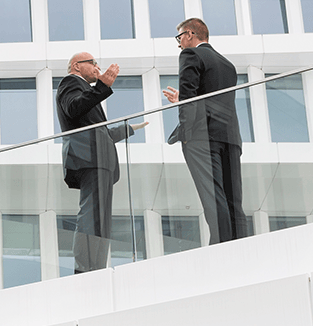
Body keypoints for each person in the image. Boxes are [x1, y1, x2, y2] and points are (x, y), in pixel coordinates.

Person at [56, 52, 146, 273]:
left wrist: (127, 129)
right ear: (77, 66)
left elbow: (100, 132)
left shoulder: (86, 90)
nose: (97, 67)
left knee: (102, 219)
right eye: (93, 63)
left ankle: (96, 267)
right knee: (91, 214)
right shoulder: (70, 82)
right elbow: (73, 108)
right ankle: (84, 268)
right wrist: (102, 87)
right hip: (88, 158)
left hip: (99, 158)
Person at [163, 18, 248, 245]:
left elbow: (190, 99)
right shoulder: (228, 65)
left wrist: (186, 134)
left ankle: (220, 248)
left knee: (213, 195)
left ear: (190, 34)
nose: (179, 43)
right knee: (233, 200)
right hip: (230, 136)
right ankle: (241, 246)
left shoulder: (190, 55)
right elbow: (212, 98)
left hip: (203, 137)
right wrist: (183, 100)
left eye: (180, 37)